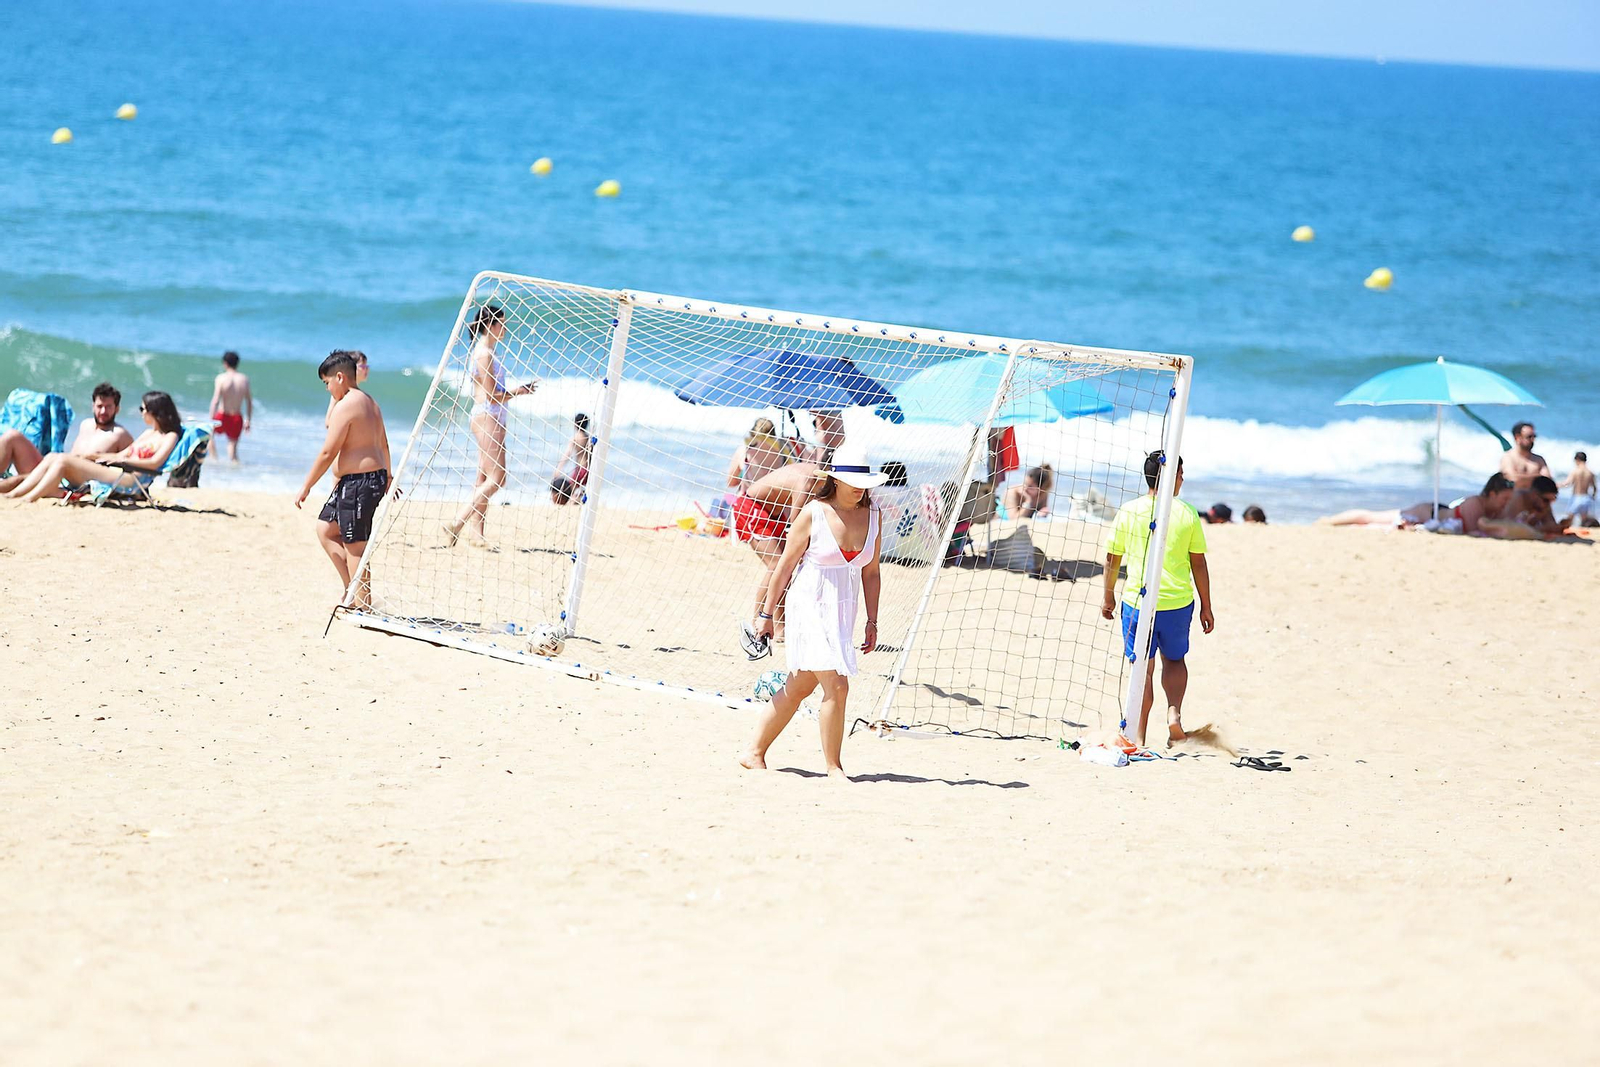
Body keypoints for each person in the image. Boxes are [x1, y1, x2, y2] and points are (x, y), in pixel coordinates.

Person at [740, 443, 886, 780]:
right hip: (809, 605)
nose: (860, 491)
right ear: (835, 480)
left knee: (800, 685)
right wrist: (765, 615)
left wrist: (872, 621)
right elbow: (784, 567)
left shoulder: (874, 515)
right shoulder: (814, 513)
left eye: (865, 485)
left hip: (841, 611)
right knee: (837, 685)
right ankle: (834, 768)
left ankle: (753, 751)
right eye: (854, 486)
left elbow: (872, 572)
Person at [1101, 451, 1214, 747]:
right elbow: (1198, 563)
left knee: (1143, 667)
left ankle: (1138, 735)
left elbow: (1113, 558)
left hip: (1138, 602)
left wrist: (1108, 596)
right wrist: (1207, 605)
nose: (1183, 479)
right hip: (1176, 603)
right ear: (1169, 477)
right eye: (1180, 474)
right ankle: (1174, 715)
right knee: (1175, 660)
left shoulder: (1129, 511)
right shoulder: (1186, 512)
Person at [294, 352, 393, 610]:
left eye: (327, 383)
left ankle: (362, 604)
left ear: (340, 377)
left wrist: (306, 486)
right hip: (364, 480)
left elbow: (328, 451)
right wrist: (389, 475)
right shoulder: (369, 401)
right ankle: (354, 592)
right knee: (326, 529)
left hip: (360, 482)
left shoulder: (348, 404)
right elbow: (384, 443)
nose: (327, 389)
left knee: (355, 545)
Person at [443, 305, 536, 547]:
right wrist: (519, 391)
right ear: (490, 326)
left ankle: (477, 535)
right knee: (497, 479)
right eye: (501, 323)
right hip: (487, 416)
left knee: (483, 476)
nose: (505, 328)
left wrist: (515, 392)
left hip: (492, 417)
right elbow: (492, 395)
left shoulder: (489, 352)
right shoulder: (484, 354)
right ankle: (457, 522)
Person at [5, 391, 182, 503]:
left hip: (129, 478)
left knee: (62, 460)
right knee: (53, 457)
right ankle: (17, 494)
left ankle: (27, 497)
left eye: (143, 409)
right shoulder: (148, 434)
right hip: (119, 470)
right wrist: (95, 457)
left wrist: (124, 461)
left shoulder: (170, 436)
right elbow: (122, 453)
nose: (141, 413)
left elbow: (154, 463)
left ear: (155, 411)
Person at [735, 460, 828, 636]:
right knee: (777, 564)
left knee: (785, 567)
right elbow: (796, 526)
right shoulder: (807, 481)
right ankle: (757, 624)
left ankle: (780, 627)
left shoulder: (818, 476)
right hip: (752, 507)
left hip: (774, 513)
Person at [0, 382, 133, 492]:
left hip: (73, 482)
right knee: (12, 436)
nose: (103, 411)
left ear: (117, 409)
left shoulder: (120, 434)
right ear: (93, 406)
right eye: (99, 406)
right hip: (57, 469)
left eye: (108, 407)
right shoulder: (85, 424)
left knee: (20, 480)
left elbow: (131, 468)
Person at [1480, 475, 1567, 540]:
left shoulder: (1543, 504)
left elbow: (1550, 524)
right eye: (1546, 500)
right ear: (1533, 493)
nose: (1548, 504)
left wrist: (1560, 526)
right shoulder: (1517, 499)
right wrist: (1541, 529)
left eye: (1552, 501)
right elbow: (1509, 526)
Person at [209, 351, 253, 463]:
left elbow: (215, 400)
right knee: (232, 449)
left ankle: (215, 461)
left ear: (225, 363)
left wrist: (210, 418)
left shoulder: (221, 378)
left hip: (222, 415)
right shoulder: (244, 379)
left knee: (209, 436)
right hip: (237, 417)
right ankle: (235, 470)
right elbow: (249, 401)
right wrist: (248, 420)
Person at [550, 413, 593, 506]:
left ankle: (573, 500)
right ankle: (579, 498)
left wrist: (559, 468)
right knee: (584, 490)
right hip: (589, 470)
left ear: (575, 424)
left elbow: (567, 454)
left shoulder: (575, 438)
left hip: (580, 470)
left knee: (569, 490)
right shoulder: (588, 437)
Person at [1500, 421, 1551, 489]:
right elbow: (1511, 478)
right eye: (1529, 437)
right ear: (1517, 437)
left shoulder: (1539, 460)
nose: (1532, 440)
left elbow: (1547, 480)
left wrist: (1522, 477)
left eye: (1534, 436)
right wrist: (1538, 477)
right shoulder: (1508, 457)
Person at [324, 351, 369, 426]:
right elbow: (328, 422)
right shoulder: (340, 391)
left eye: (367, 367)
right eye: (363, 367)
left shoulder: (360, 395)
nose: (367, 369)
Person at [1558, 451, 1596, 528]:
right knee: (1584, 520)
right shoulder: (1590, 473)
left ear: (1577, 459)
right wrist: (1593, 496)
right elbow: (1594, 488)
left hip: (1577, 497)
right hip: (1586, 498)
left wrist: (1557, 485)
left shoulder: (1576, 471)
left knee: (1570, 519)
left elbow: (1568, 483)